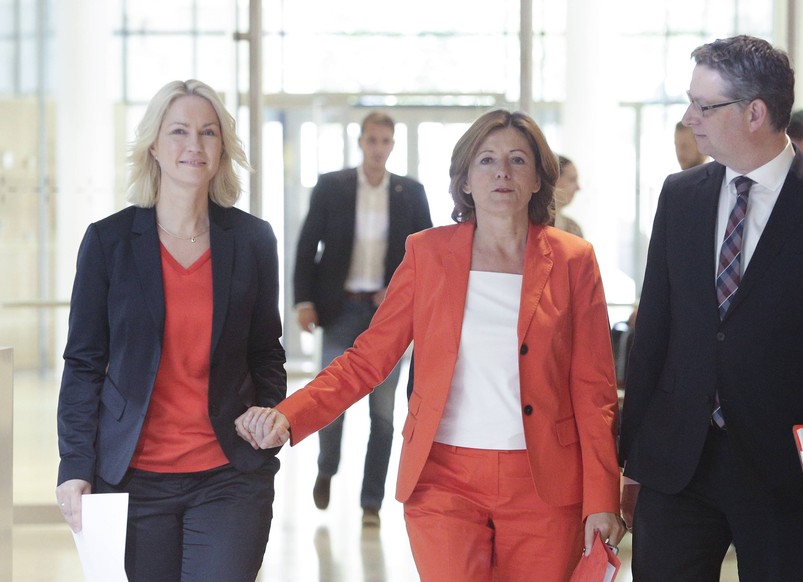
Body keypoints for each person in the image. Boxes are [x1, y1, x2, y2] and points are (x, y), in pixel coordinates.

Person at [238, 109, 625, 580]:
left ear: (540, 179)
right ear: (464, 180)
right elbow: (367, 360)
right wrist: (290, 413)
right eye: (486, 160)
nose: (501, 171)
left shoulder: (573, 260)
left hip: (546, 483)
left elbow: (594, 389)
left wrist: (604, 498)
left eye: (517, 160)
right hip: (443, 480)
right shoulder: (428, 253)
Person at [619, 35, 803, 582]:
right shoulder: (679, 195)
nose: (690, 119)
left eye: (704, 105)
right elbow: (655, 334)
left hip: (789, 472)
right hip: (677, 462)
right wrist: (629, 457)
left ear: (755, 112)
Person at [55, 79, 287, 581]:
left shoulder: (252, 240)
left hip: (230, 476)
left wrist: (270, 412)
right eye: (178, 131)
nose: (193, 145)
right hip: (131, 481)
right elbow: (84, 364)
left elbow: (266, 351)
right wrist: (74, 466)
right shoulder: (108, 242)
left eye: (208, 132)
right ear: (154, 146)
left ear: (222, 148)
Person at [293, 111, 432, 527]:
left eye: (385, 141)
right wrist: (303, 302)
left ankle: (371, 500)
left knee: (383, 415)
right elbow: (306, 247)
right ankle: (327, 468)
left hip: (386, 315)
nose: (378, 149)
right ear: (361, 142)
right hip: (339, 309)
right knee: (330, 402)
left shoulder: (411, 192)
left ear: (392, 145)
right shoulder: (332, 187)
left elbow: (426, 255)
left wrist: (405, 293)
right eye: (372, 141)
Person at [554, 154, 584, 237]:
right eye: (572, 180)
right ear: (553, 181)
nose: (578, 188)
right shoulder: (527, 226)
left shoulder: (573, 228)